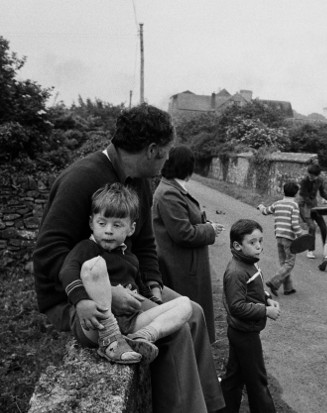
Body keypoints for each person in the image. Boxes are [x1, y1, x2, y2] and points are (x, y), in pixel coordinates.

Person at [33, 104, 225, 413]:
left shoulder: (140, 182)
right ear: (151, 150)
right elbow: (47, 254)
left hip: (129, 284)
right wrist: (105, 293)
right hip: (73, 298)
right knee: (175, 333)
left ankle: (210, 405)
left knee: (196, 313)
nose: (166, 161)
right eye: (164, 154)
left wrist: (154, 286)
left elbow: (146, 243)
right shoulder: (81, 178)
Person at [60, 183, 192, 364]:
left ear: (131, 229)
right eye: (102, 223)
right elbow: (67, 271)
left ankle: (143, 337)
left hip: (131, 324)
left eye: (117, 225)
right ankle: (110, 338)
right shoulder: (87, 248)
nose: (108, 230)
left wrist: (158, 308)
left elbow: (144, 294)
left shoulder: (131, 259)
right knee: (95, 266)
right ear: (91, 223)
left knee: (185, 304)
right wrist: (82, 301)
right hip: (95, 324)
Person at [152, 145, 224, 343]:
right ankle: (198, 364)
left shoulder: (173, 189)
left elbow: (187, 222)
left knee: (195, 317)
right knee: (190, 318)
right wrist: (210, 230)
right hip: (181, 268)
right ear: (186, 167)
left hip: (187, 264)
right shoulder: (168, 193)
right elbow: (183, 233)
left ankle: (200, 359)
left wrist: (206, 224)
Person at [218, 219, 280, 413]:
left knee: (234, 377)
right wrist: (265, 310)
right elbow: (237, 306)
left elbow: (252, 291)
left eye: (260, 241)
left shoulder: (248, 263)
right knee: (257, 380)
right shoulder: (236, 272)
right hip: (245, 334)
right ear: (237, 245)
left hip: (240, 332)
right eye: (252, 242)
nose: (259, 246)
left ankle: (224, 408)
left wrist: (267, 298)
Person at [258, 181, 303, 296]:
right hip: (289, 238)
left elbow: (265, 211)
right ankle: (274, 281)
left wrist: (261, 206)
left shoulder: (277, 203)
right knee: (289, 264)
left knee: (284, 263)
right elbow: (294, 224)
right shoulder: (294, 205)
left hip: (279, 237)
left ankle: (288, 288)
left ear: (284, 191)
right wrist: (302, 236)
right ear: (296, 193)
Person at [297, 163, 327, 259]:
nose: (310, 177)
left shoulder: (320, 180)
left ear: (317, 175)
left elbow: (322, 193)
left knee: (323, 227)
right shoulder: (304, 181)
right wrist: (313, 205)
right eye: (309, 174)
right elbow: (304, 196)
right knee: (312, 227)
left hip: (314, 206)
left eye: (313, 175)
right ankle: (310, 251)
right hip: (304, 206)